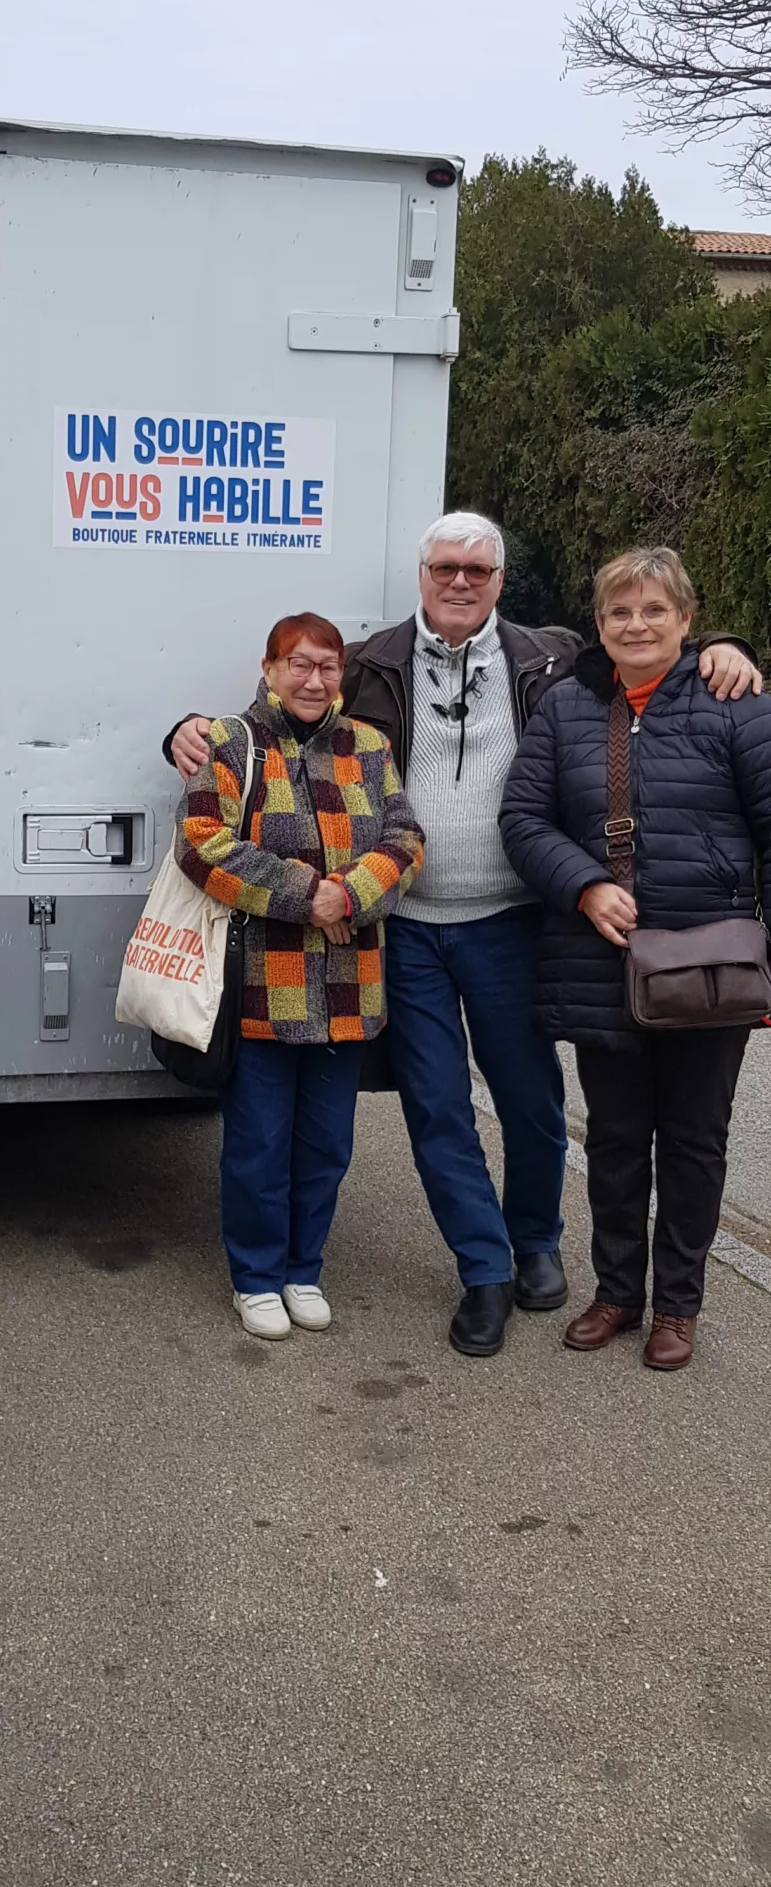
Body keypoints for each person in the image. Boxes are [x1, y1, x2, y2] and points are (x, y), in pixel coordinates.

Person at [168, 513, 761, 1357]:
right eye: (445, 566)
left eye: (477, 570)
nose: (460, 582)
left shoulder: (551, 655)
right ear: (421, 573)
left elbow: (652, 652)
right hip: (404, 928)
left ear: (499, 580)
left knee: (530, 1101)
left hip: (516, 920)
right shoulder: (372, 662)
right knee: (439, 1109)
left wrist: (726, 645)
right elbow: (286, 718)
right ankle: (483, 1270)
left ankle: (534, 1246)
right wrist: (184, 729)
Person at [499, 547, 771, 1371]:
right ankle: (618, 1291)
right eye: (620, 611)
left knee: (694, 1141)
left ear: (688, 622)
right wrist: (582, 884)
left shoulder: (739, 705)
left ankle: (678, 1307)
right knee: (616, 1139)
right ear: (600, 623)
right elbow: (523, 819)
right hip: (602, 959)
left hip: (708, 965)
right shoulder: (565, 708)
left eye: (655, 610)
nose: (637, 624)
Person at [174, 611, 423, 1340]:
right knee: (257, 1145)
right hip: (261, 984)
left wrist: (348, 894)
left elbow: (405, 838)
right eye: (299, 664)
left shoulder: (369, 747)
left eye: (327, 666)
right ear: (270, 668)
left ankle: (301, 1269)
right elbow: (200, 843)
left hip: (348, 985)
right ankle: (253, 1278)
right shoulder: (231, 742)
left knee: (326, 1144)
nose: (314, 679)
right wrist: (304, 894)